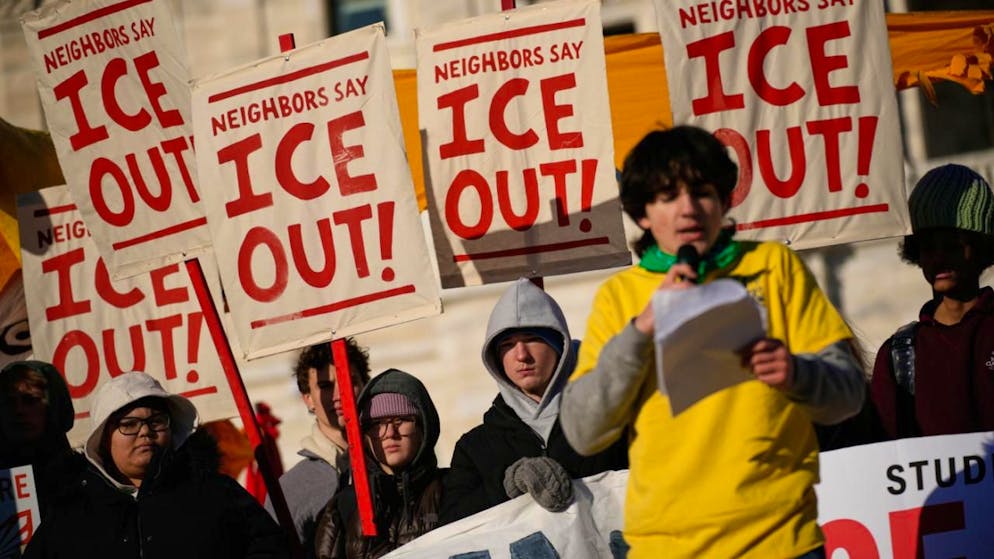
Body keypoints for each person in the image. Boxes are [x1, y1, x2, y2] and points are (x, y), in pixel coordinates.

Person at [560, 126, 865, 559]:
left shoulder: (773, 266)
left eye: (702, 192)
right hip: (666, 548)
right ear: (643, 214)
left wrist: (798, 373)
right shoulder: (620, 296)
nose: (688, 210)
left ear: (724, 200)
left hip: (781, 541)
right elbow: (582, 431)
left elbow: (849, 393)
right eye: (668, 197)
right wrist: (642, 329)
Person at [23, 372, 287, 559]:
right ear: (104, 439)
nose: (145, 432)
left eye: (156, 421)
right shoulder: (70, 514)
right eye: (128, 424)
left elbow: (271, 547)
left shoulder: (217, 493)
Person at [439, 277, 627, 524]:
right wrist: (506, 486)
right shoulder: (475, 448)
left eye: (531, 339)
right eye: (507, 344)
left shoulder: (615, 418)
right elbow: (451, 528)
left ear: (559, 345)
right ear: (495, 358)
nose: (521, 355)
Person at [870, 163, 994, 438]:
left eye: (952, 244)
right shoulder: (899, 355)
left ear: (981, 247)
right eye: (927, 246)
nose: (939, 257)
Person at [313, 368, 442, 559]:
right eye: (376, 424)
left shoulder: (452, 488)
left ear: (423, 425)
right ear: (363, 435)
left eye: (401, 420)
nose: (389, 433)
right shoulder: (344, 506)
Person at [266, 339, 371, 556]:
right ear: (308, 399)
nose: (339, 395)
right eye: (325, 386)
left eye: (348, 381)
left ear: (365, 385)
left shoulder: (394, 461)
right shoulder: (288, 490)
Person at [0, 360, 77, 511]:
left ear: (53, 407)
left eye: (31, 400)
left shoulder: (87, 480)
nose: (18, 410)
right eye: (9, 402)